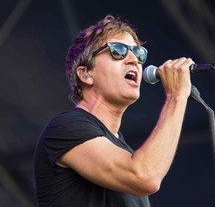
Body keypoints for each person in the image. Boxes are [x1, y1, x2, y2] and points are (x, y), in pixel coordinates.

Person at [33, 14, 194, 207]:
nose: (134, 59)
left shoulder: (124, 151)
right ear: (86, 73)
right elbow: (145, 176)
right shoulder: (66, 128)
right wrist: (176, 97)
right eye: (118, 51)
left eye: (139, 53)